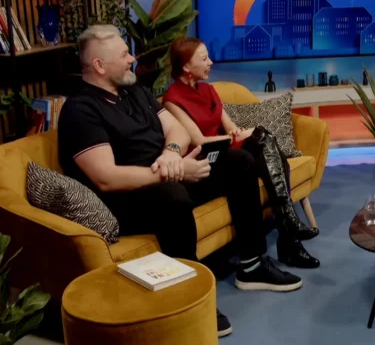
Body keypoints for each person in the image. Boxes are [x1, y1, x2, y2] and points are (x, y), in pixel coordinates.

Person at [57, 25, 303, 338]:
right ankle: (189, 298)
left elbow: (178, 131)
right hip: (127, 197)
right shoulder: (81, 110)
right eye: (124, 55)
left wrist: (172, 154)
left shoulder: (136, 91)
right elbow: (106, 177)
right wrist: (171, 172)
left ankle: (252, 265)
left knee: (238, 162)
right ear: (99, 65)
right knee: (173, 196)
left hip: (167, 173)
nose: (133, 59)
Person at [161, 36, 320, 269]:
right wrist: (239, 136)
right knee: (261, 139)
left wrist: (238, 133)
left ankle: (289, 231)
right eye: (204, 59)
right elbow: (199, 141)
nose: (211, 62)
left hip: (228, 152)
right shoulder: (171, 100)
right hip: (206, 161)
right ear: (186, 66)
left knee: (264, 140)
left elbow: (230, 127)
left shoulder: (209, 90)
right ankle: (290, 235)